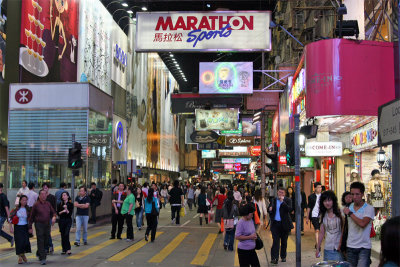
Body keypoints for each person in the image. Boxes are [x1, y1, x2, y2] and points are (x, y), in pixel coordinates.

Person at [343, 182, 375, 267]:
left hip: (364, 247)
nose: (354, 197)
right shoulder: (348, 207)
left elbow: (362, 223)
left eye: (357, 194)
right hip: (350, 246)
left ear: (362, 194)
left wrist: (350, 213)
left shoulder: (369, 208)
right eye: (352, 194)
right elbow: (344, 226)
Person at [29, 189, 56, 265]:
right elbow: (31, 217)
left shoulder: (48, 204)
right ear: (39, 196)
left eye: (45, 194)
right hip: (39, 224)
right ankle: (43, 258)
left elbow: (53, 212)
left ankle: (40, 253)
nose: (44, 196)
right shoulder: (36, 205)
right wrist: (30, 227)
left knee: (46, 240)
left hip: (47, 225)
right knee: (40, 240)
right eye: (42, 194)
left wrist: (54, 217)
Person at [268, 187, 293, 265]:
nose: (280, 194)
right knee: (275, 241)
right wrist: (270, 209)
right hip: (275, 224)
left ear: (284, 193)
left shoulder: (288, 200)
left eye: (282, 193)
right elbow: (269, 208)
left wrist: (283, 202)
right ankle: (274, 258)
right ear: (277, 192)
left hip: (284, 225)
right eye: (279, 192)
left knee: (284, 242)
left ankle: (283, 256)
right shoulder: (274, 200)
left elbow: (289, 209)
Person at [316, 190, 343, 261]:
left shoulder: (340, 213)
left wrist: (341, 243)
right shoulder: (323, 215)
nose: (327, 203)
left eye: (329, 200)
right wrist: (318, 247)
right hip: (328, 247)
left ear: (333, 201)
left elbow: (344, 229)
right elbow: (322, 233)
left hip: (339, 248)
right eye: (325, 201)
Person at [9, 195, 31, 264]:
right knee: (19, 243)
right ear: (20, 201)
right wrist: (10, 227)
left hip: (25, 227)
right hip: (18, 227)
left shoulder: (28, 209)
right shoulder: (16, 209)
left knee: (25, 242)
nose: (24, 201)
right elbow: (10, 218)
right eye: (23, 200)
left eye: (26, 200)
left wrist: (31, 228)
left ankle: (23, 254)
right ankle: (20, 257)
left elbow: (31, 218)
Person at [307, 182, 323, 248]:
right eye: (318, 187)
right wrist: (307, 217)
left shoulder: (323, 196)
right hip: (314, 215)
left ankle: (317, 243)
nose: (320, 189)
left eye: (321, 187)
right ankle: (318, 244)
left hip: (322, 215)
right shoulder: (311, 197)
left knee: (321, 230)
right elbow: (309, 207)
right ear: (315, 188)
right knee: (317, 230)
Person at [42, 183, 56, 254]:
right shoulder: (41, 197)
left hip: (49, 217)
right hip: (42, 218)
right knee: (44, 233)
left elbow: (54, 208)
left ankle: (48, 246)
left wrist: (54, 217)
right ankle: (48, 246)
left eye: (46, 188)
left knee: (47, 232)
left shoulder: (52, 197)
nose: (45, 189)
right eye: (44, 188)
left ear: (48, 188)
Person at [0, 183, 14, 247]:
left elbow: (6, 208)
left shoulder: (3, 196)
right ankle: (10, 238)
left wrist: (9, 218)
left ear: (1, 188)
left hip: (2, 216)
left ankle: (10, 238)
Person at [340, 191, 352, 257]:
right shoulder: (342, 208)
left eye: (350, 197)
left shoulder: (354, 207)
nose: (348, 199)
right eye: (346, 197)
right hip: (345, 230)